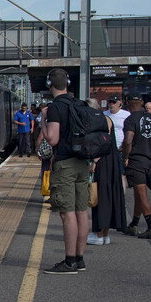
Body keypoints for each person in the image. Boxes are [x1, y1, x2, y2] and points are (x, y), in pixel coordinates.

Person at [41, 68, 89, 274]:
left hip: (65, 164)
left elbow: (52, 139)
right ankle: (79, 259)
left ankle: (69, 262)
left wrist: (43, 120)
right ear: (67, 83)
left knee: (67, 214)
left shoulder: (54, 108)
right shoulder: (79, 104)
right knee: (81, 212)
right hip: (82, 163)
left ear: (49, 84)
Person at [86, 98, 126, 245]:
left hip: (102, 161)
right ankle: (105, 234)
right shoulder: (107, 118)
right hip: (112, 160)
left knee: (100, 195)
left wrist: (94, 162)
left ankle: (99, 234)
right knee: (109, 195)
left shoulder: (98, 120)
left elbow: (102, 141)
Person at [120, 95, 151, 239]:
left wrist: (125, 157)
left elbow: (128, 140)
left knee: (141, 193)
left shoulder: (130, 120)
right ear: (141, 103)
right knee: (137, 192)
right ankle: (134, 224)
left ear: (128, 103)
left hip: (136, 160)